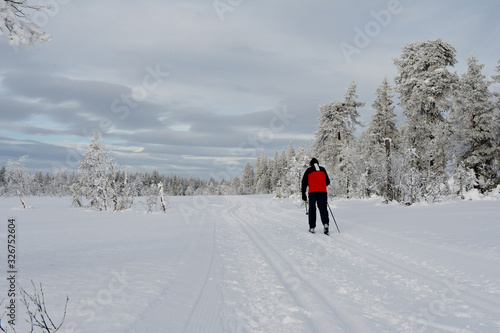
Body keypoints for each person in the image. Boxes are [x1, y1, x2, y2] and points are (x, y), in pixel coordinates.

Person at [301, 158, 331, 234]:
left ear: (311, 164)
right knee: (323, 208)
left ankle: (312, 227)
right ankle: (326, 224)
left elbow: (304, 182)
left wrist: (303, 193)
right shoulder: (323, 169)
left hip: (312, 192)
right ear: (318, 163)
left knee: (312, 209)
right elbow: (327, 182)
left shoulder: (308, 170)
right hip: (322, 192)